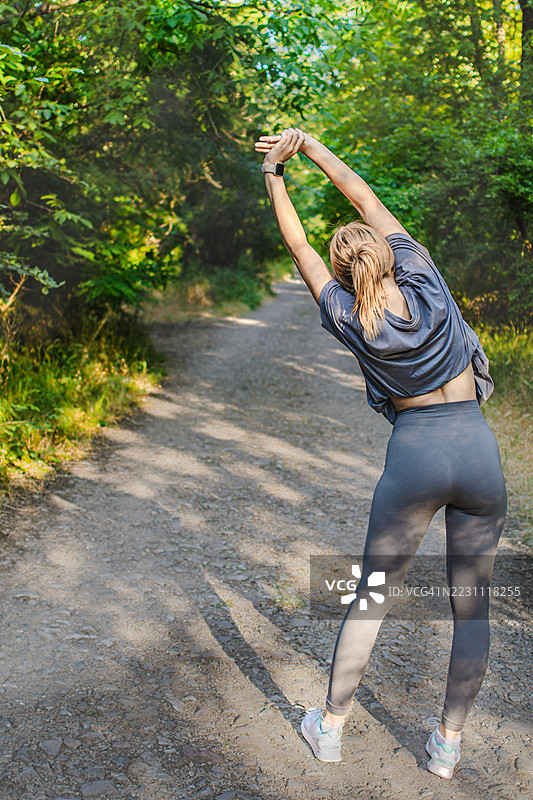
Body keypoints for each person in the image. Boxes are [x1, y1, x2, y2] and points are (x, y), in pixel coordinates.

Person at [254, 128, 507, 780]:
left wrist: (272, 177)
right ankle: (447, 745)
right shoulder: (421, 273)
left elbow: (298, 245)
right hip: (476, 450)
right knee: (470, 603)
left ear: (344, 276)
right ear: (388, 255)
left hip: (415, 455)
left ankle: (330, 729)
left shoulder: (344, 312)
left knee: (370, 594)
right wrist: (306, 146)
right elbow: (361, 195)